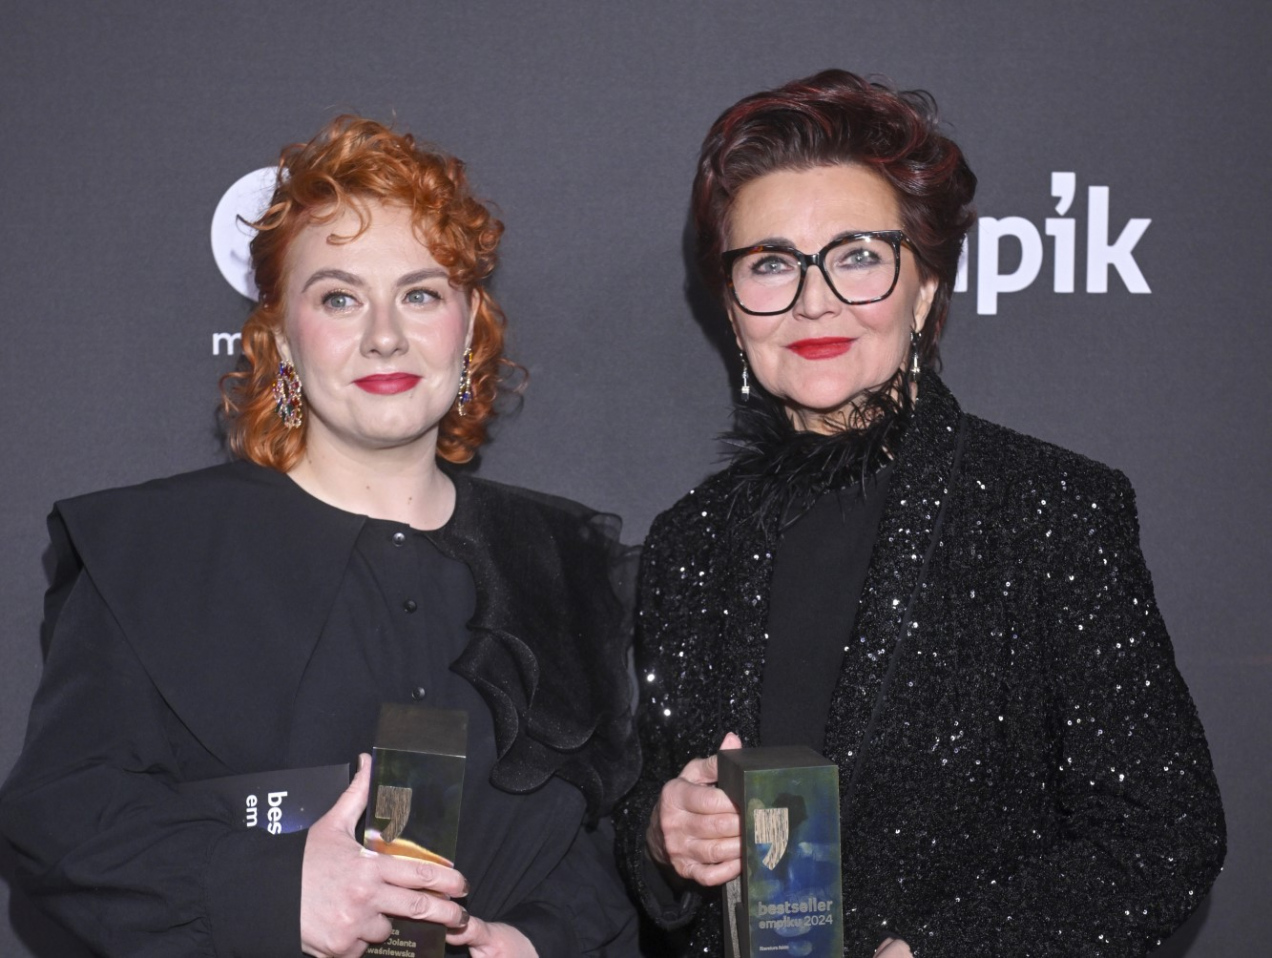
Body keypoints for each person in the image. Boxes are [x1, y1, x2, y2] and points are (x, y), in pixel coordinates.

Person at [613, 70, 1225, 958]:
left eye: (858, 255)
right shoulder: (689, 542)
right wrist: (664, 834)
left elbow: (1161, 838)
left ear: (926, 286)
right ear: (734, 310)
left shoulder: (1048, 511)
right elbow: (642, 806)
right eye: (771, 263)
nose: (814, 299)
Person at [0, 116, 640, 958]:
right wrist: (273, 890)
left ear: (470, 326)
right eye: (340, 297)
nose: (385, 335)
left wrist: (535, 940)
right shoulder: (158, 551)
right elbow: (61, 816)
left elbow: (608, 835)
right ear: (279, 342)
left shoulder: (562, 560)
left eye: (420, 294)